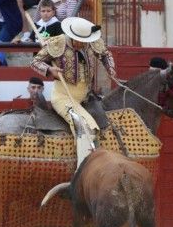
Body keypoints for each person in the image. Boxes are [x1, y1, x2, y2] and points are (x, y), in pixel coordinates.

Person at [30, 16, 115, 165]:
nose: (81, 44)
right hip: (63, 97)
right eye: (78, 41)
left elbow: (105, 54)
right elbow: (35, 62)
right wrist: (50, 69)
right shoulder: (58, 42)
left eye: (84, 42)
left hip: (85, 97)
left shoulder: (91, 42)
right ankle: (82, 169)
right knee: (84, 126)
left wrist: (110, 68)